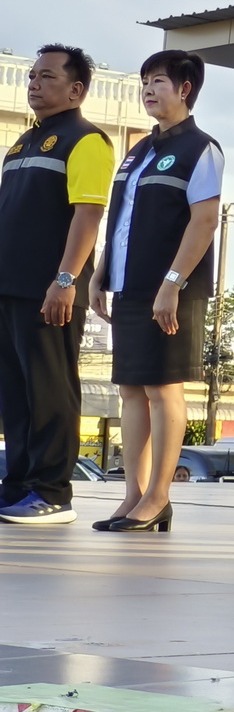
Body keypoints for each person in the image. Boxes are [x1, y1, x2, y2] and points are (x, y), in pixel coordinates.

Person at [88, 50, 222, 534]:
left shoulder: (200, 148)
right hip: (128, 286)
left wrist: (172, 283)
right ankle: (133, 495)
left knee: (163, 390)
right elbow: (119, 221)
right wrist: (100, 274)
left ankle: (159, 497)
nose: (147, 88)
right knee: (131, 391)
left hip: (172, 290)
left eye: (158, 80)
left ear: (185, 89)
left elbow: (204, 221)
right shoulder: (138, 150)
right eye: (145, 80)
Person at [0, 45, 115, 525]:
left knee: (49, 389)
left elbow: (88, 214)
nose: (34, 83)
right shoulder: (23, 143)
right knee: (15, 392)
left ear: (76, 89)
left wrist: (65, 279)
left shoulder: (86, 140)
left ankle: (53, 491)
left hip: (49, 289)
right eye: (31, 75)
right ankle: (20, 485)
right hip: (9, 286)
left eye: (46, 76)